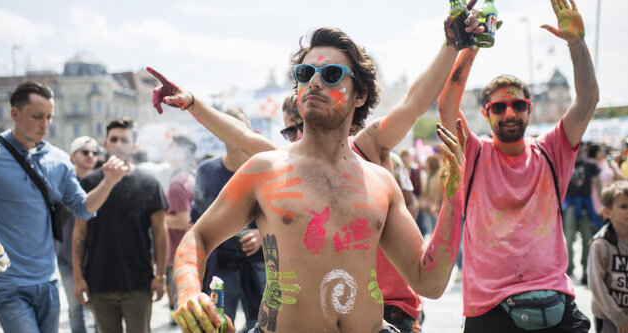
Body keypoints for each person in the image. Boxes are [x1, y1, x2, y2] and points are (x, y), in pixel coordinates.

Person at [147, 6, 483, 330]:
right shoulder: (266, 170)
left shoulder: (380, 180)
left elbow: (430, 281)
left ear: (360, 95)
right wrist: (190, 291)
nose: (315, 83)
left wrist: (452, 202)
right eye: (305, 74)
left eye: (332, 74)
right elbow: (198, 237)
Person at [437, 0, 599, 330]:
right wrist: (471, 45)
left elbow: (587, 100)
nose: (509, 113)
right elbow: (447, 104)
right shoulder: (474, 155)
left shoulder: (553, 151)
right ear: (485, 114)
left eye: (517, 105)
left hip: (556, 301)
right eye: (499, 107)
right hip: (489, 308)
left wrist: (577, 44)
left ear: (530, 108)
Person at [0, 81, 128, 333]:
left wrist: (109, 182)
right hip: (6, 282)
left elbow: (83, 209)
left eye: (50, 117)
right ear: (15, 114)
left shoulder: (59, 160)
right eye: (37, 116)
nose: (45, 124)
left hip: (48, 281)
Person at [72, 117, 169, 333]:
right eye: (113, 139)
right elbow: (80, 232)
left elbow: (161, 233)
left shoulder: (149, 183)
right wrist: (78, 278)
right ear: (105, 144)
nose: (118, 144)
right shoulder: (88, 183)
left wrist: (161, 276)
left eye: (124, 140)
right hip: (99, 281)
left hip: (138, 283)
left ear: (134, 146)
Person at [190, 107, 266, 332]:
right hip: (221, 267)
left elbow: (285, 213)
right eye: (228, 124)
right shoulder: (207, 170)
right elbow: (196, 223)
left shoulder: (266, 166)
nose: (233, 131)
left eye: (239, 125)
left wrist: (262, 235)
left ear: (249, 130)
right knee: (219, 325)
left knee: (264, 325)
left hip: (261, 264)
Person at [56, 136, 102, 333]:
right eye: (85, 152)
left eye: (94, 152)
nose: (90, 156)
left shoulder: (103, 182)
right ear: (73, 156)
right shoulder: (63, 183)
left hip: (97, 257)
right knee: (76, 308)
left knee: (101, 309)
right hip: (67, 256)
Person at [164, 133, 197, 325]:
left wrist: (157, 215)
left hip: (179, 255)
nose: (166, 151)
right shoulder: (191, 175)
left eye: (170, 147)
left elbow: (183, 220)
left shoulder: (177, 183)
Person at [588, 180, 628, 333]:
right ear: (607, 212)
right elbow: (597, 286)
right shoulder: (601, 244)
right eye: (624, 207)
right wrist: (619, 318)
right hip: (609, 318)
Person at [563, 144, 603, 284]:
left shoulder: (590, 164)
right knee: (568, 237)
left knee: (588, 237)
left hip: (586, 205)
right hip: (570, 204)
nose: (579, 150)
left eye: (581, 148)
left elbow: (597, 184)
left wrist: (601, 202)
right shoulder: (565, 162)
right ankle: (568, 268)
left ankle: (586, 268)